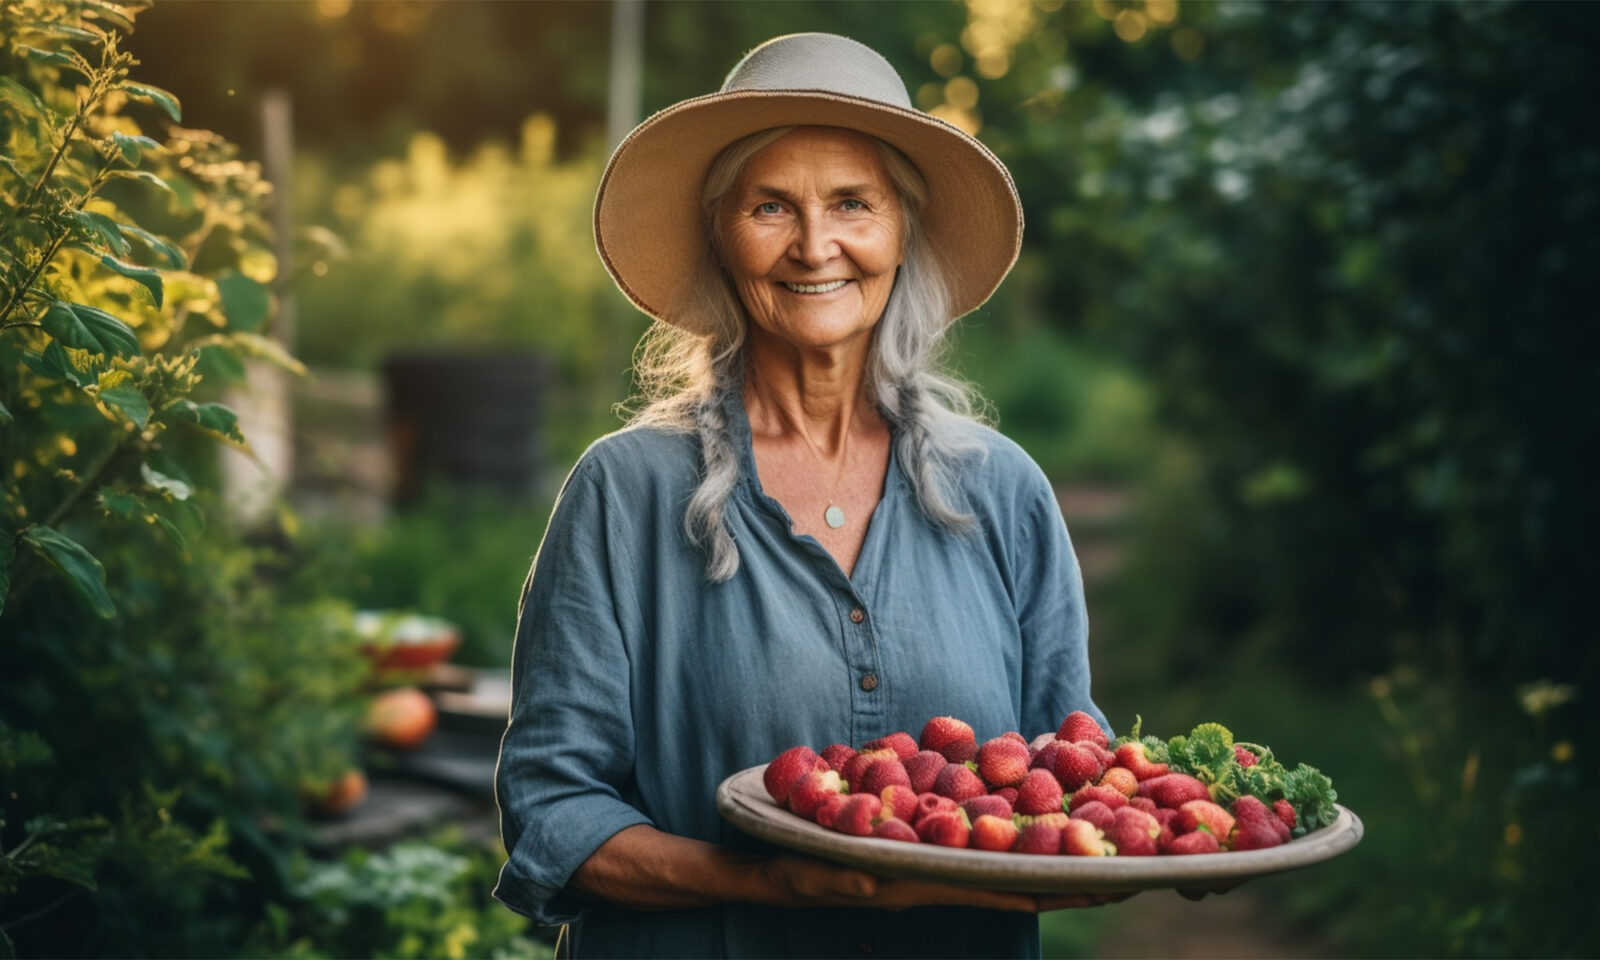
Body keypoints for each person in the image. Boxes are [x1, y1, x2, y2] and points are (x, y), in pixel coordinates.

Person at [494, 32, 1115, 958]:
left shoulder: (1003, 490)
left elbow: (1074, 778)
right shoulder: (624, 493)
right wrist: (761, 883)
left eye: (853, 204)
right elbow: (554, 809)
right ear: (721, 233)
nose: (815, 245)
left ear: (904, 231)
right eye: (771, 206)